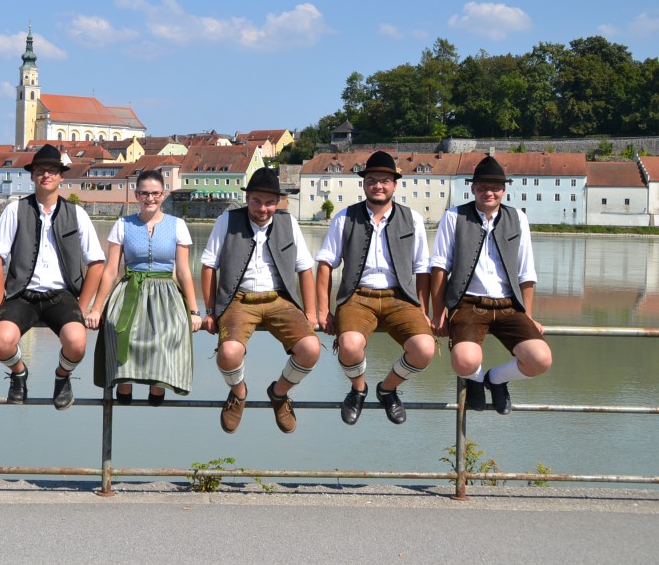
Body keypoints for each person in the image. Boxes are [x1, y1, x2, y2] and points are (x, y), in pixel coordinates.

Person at [315, 151, 435, 426]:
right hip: (357, 297)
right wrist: (323, 311)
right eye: (372, 180)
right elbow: (324, 265)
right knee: (349, 345)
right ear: (364, 184)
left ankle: (388, 388)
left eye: (384, 181)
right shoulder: (344, 217)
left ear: (395, 185)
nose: (378, 186)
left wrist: (422, 309)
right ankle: (358, 389)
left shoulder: (413, 219)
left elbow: (422, 268)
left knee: (425, 349)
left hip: (401, 297)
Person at [200, 167, 321, 434]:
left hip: (280, 298)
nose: (262, 208)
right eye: (256, 201)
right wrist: (210, 311)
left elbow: (305, 268)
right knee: (228, 353)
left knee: (311, 349)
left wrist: (311, 313)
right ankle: (238, 393)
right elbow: (208, 265)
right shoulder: (227, 220)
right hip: (238, 299)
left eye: (269, 202)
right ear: (247, 198)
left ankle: (279, 393)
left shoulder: (289, 223)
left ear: (278, 202)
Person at [0, 144, 105, 410]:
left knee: (77, 342)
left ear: (61, 176)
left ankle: (62, 376)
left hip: (62, 295)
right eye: (40, 170)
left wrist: (82, 306)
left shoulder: (77, 213)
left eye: (52, 170)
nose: (46, 175)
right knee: (1, 342)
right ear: (32, 175)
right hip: (21, 294)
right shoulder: (15, 210)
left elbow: (97, 263)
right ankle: (19, 372)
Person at [430, 155, 552, 414]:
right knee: (464, 360)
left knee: (540, 359)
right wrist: (439, 313)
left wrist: (528, 315)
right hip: (467, 304)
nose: (489, 192)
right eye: (483, 187)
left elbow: (526, 272)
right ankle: (473, 378)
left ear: (504, 190)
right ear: (473, 188)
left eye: (495, 188)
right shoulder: (454, 216)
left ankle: (495, 379)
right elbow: (439, 267)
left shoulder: (518, 218)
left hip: (509, 305)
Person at [87, 169, 202, 405]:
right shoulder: (123, 224)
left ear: (163, 195)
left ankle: (158, 384)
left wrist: (194, 311)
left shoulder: (178, 225)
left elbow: (183, 272)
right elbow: (110, 271)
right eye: (145, 193)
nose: (150, 198)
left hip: (166, 293)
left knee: (169, 333)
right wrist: (96, 308)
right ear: (137, 195)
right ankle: (124, 381)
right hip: (130, 289)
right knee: (116, 327)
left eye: (155, 193)